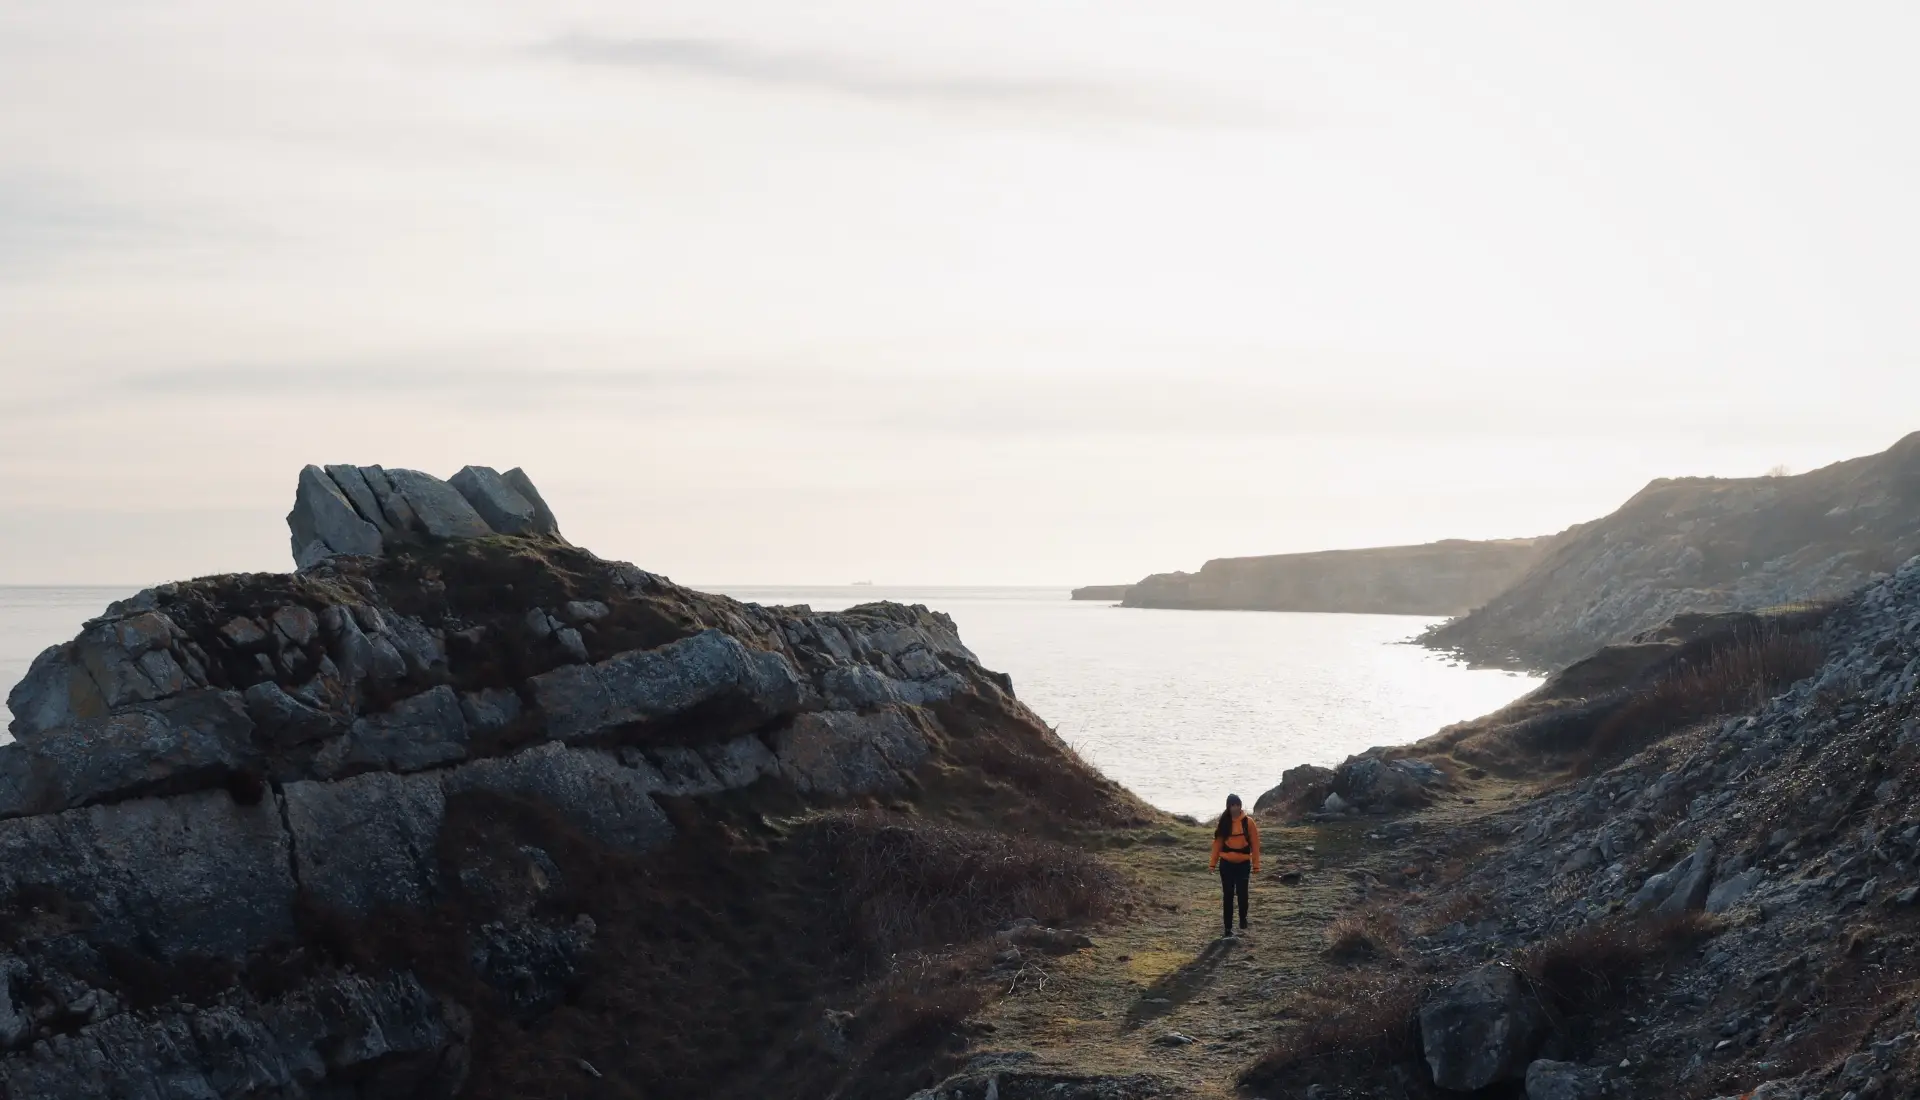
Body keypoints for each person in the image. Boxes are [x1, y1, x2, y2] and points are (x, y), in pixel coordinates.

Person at [1208, 793, 1260, 937]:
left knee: (1242, 894)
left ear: (1240, 805)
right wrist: (1212, 864)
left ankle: (1243, 918)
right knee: (1228, 896)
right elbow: (1217, 844)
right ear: (1228, 806)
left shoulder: (1248, 823)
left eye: (1237, 805)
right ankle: (1228, 928)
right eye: (1232, 805)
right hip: (1226, 865)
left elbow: (1255, 844)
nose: (1235, 808)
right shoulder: (1224, 822)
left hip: (1243, 864)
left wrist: (1256, 865)